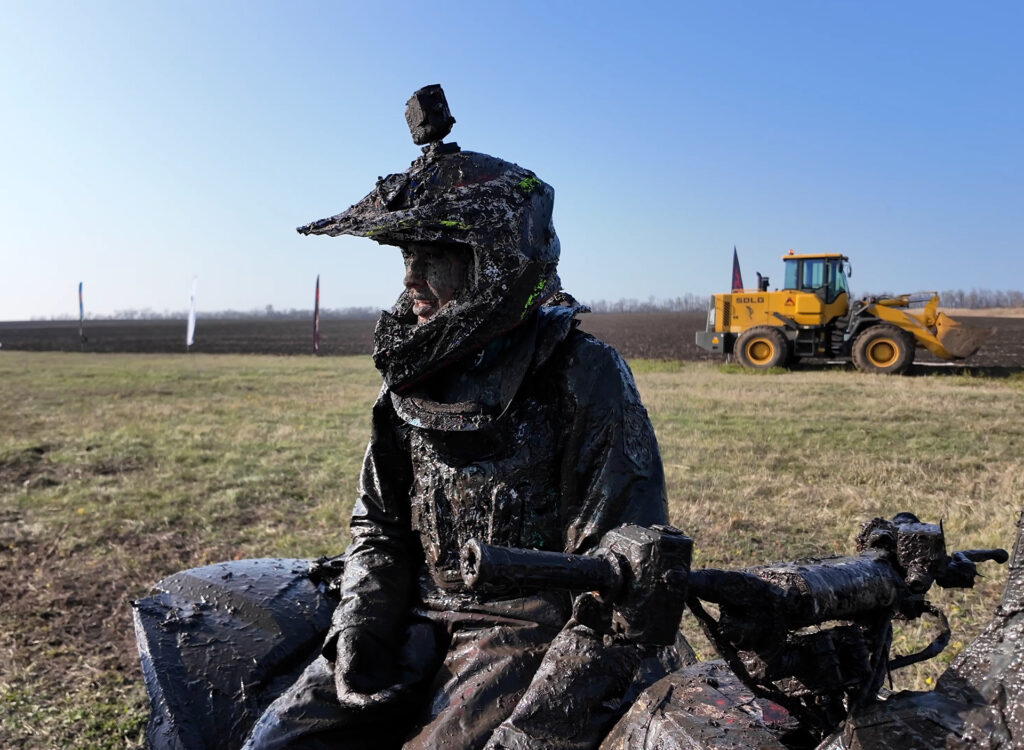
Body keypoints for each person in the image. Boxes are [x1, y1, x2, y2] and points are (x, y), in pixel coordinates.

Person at [242, 85, 689, 750]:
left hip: (528, 628)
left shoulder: (582, 373)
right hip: (421, 609)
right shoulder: (416, 373)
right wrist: (362, 621)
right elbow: (381, 520)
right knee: (278, 740)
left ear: (493, 261)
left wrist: (551, 709)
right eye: (405, 256)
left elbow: (617, 568)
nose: (410, 282)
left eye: (435, 257)